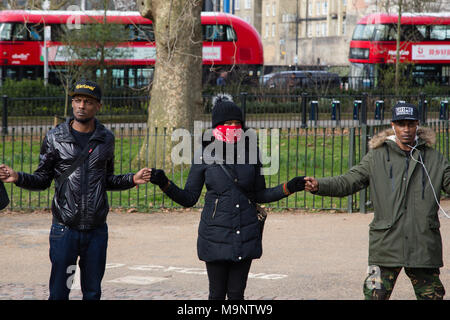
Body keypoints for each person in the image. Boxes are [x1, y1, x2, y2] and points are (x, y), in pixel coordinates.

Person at [0, 80, 151, 300]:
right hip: (64, 230)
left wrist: (132, 179)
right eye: (77, 100)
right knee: (60, 292)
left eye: (87, 102)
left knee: (92, 293)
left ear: (97, 106)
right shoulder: (55, 138)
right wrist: (17, 177)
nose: (81, 106)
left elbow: (106, 180)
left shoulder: (106, 138)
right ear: (72, 104)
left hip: (97, 230)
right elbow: (42, 179)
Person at [149, 96, 306, 300]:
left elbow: (260, 194)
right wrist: (164, 183)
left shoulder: (252, 153)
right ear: (217, 126)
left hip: (246, 233)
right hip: (214, 235)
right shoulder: (204, 155)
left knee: (236, 295)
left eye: (237, 123)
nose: (233, 127)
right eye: (227, 123)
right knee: (216, 294)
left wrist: (289, 187)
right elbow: (189, 198)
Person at [304, 102, 450, 300]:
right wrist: (319, 185)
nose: (406, 129)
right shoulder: (376, 157)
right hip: (385, 246)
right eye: (401, 124)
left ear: (417, 125)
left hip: (423, 246)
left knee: (432, 296)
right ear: (393, 125)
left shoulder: (434, 159)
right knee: (374, 295)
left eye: (410, 124)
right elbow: (348, 181)